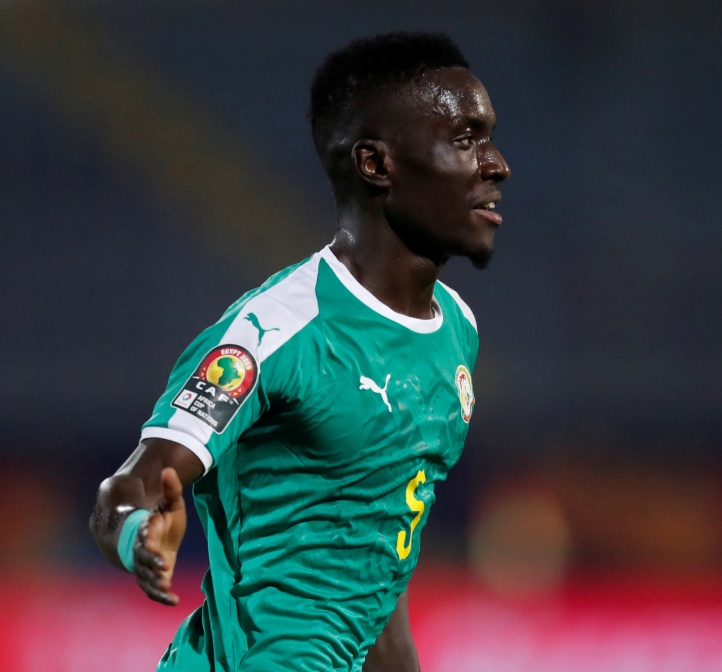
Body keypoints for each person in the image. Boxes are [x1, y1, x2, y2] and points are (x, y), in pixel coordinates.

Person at [89, 32, 510, 672]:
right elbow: (127, 489)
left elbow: (377, 578)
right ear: (377, 165)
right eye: (465, 139)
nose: (496, 163)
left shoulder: (457, 330)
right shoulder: (274, 333)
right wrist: (138, 534)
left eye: (488, 136)